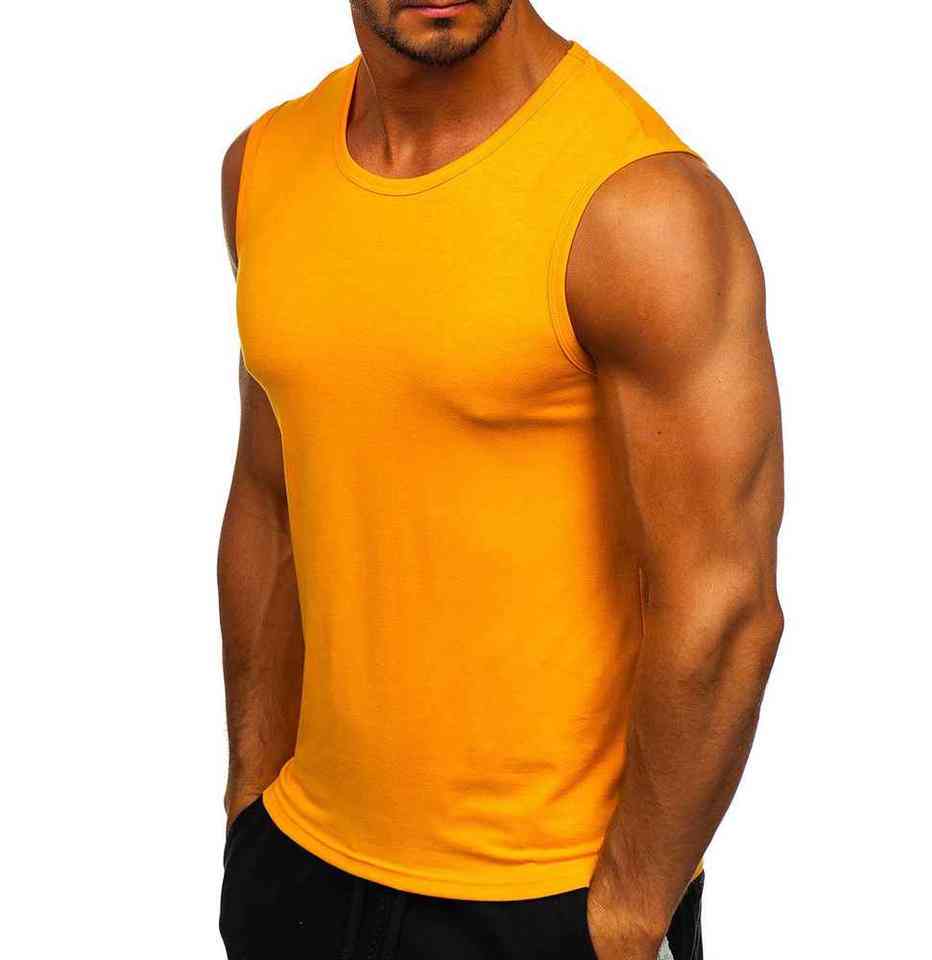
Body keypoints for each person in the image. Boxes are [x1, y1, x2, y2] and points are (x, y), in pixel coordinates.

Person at [217, 2, 784, 958]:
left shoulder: (638, 204)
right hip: (301, 869)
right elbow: (271, 495)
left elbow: (726, 602)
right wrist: (251, 796)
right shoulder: (264, 164)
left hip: (548, 898)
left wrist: (626, 920)